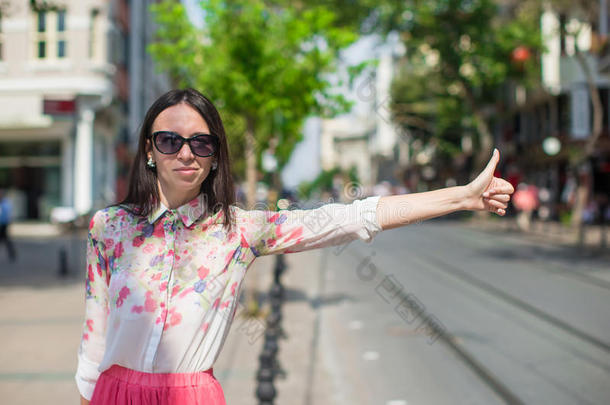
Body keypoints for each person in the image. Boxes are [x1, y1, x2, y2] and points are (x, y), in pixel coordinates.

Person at [75, 88, 514, 405]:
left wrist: (461, 197)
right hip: (112, 395)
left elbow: (350, 217)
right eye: (170, 141)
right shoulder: (110, 228)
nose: (186, 154)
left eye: (201, 143)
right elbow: (93, 344)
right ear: (150, 150)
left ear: (214, 158)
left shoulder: (239, 231)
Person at [0, 188, 17, 263]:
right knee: (5, 240)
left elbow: (7, 214)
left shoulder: (5, 203)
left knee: (6, 239)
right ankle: (12, 253)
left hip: (3, 224)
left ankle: (12, 253)